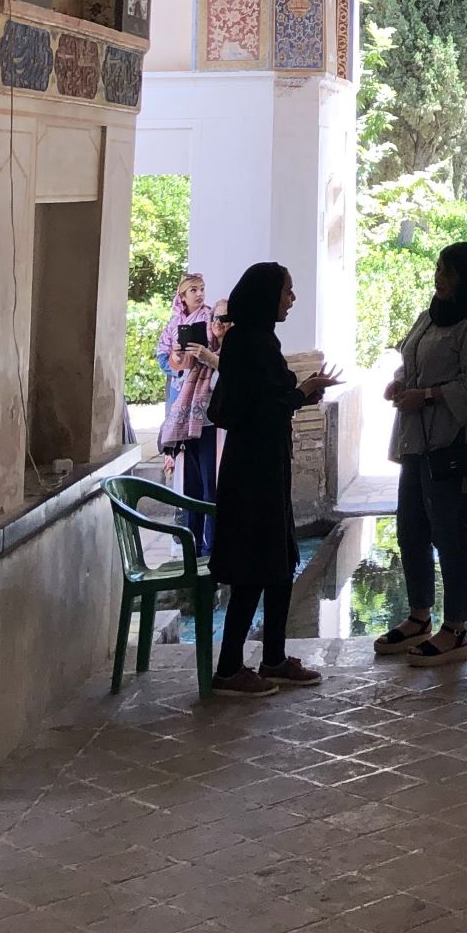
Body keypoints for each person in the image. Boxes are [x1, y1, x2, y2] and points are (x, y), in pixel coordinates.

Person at [207, 262, 338, 694]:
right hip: (252, 471)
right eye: (286, 291)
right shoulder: (251, 344)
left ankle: (274, 657)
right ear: (267, 295)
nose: (292, 299)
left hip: (264, 465)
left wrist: (300, 393)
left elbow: (267, 400)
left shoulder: (257, 340)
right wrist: (301, 392)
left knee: (280, 561)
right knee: (253, 566)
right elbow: (260, 410)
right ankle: (228, 668)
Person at [373, 242, 467, 665]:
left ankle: (456, 628)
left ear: (466, 278)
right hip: (416, 444)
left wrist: (426, 395)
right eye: (439, 269)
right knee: (410, 528)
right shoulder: (430, 315)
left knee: (449, 535)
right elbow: (411, 357)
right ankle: (419, 615)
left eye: (448, 272)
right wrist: (400, 381)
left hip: (450, 448)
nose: (439, 278)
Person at [159, 294, 228, 552]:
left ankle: (212, 550)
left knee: (213, 491)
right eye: (216, 317)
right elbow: (177, 368)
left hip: (216, 430)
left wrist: (212, 358)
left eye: (226, 318)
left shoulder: (234, 351)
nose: (220, 323)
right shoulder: (202, 347)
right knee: (193, 491)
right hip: (190, 429)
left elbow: (232, 375)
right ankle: (194, 548)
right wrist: (181, 353)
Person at [156, 273, 206, 423]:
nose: (199, 294)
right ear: (182, 296)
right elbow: (162, 354)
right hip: (179, 386)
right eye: (193, 290)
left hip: (204, 385)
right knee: (177, 436)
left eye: (202, 289)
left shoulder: (211, 318)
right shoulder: (173, 324)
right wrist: (176, 361)